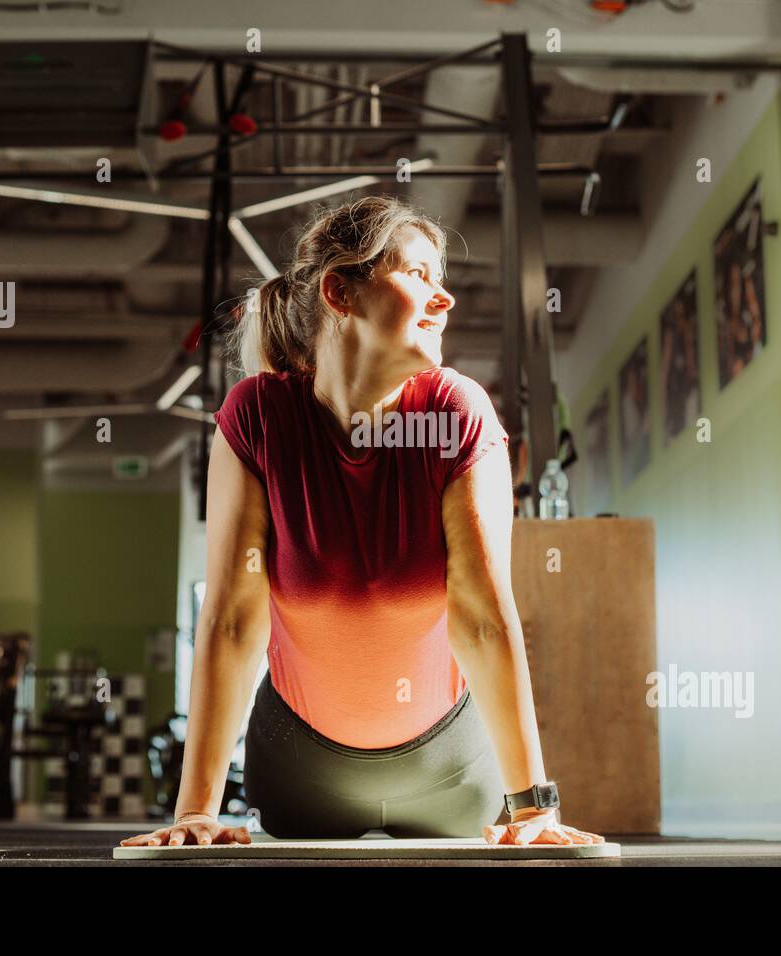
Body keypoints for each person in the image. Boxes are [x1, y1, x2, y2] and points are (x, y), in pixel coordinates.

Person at [122, 196, 602, 848]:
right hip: (299, 769)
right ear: (339, 293)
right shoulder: (257, 416)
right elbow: (234, 618)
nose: (445, 299)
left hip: (450, 768)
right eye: (419, 275)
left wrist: (533, 807)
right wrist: (196, 812)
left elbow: (483, 614)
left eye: (444, 280)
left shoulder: (456, 413)